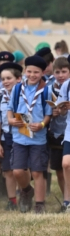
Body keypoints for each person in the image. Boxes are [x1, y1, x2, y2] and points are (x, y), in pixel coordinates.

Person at [7, 55, 52, 214]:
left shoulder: (46, 90)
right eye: (29, 71)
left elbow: (48, 114)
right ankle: (26, 191)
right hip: (20, 136)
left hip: (38, 138)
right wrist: (11, 120)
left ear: (43, 72)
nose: (32, 75)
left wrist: (41, 125)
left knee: (37, 171)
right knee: (18, 170)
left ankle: (40, 204)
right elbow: (10, 108)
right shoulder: (18, 88)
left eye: (36, 72)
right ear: (25, 71)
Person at [0, 62, 22, 210]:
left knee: (21, 169)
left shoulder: (24, 97)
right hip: (7, 138)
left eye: (9, 78)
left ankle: (25, 193)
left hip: (23, 136)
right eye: (3, 79)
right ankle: (12, 200)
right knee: (8, 170)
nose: (6, 82)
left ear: (18, 79)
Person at [48, 57, 70, 207]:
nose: (61, 74)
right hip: (68, 131)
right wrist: (61, 109)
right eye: (58, 72)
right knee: (66, 164)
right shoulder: (66, 86)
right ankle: (67, 200)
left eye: (64, 71)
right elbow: (63, 112)